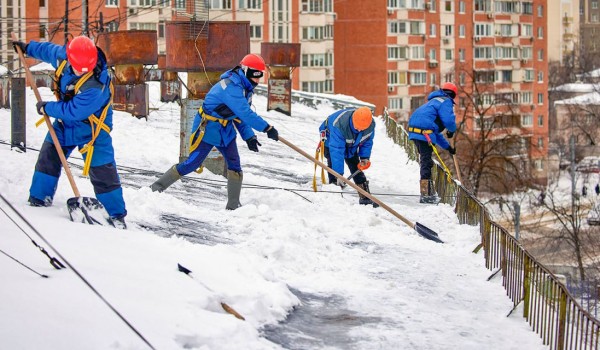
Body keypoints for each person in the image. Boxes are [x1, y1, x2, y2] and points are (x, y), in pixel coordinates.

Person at [13, 36, 127, 228]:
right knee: (48, 160)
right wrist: (28, 48)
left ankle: (115, 215)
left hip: (93, 131)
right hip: (65, 126)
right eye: (76, 68)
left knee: (103, 172)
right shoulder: (64, 56)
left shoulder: (96, 85)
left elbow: (74, 110)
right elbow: (47, 50)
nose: (79, 71)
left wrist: (46, 108)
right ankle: (39, 199)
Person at [150, 53, 279, 210]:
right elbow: (245, 112)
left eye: (260, 76)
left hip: (226, 131)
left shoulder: (246, 88)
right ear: (245, 71)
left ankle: (233, 205)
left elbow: (239, 117)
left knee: (235, 165)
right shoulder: (230, 86)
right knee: (192, 164)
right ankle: (156, 188)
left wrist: (249, 136)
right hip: (208, 129)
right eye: (255, 75)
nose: (258, 80)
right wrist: (267, 128)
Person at [407, 82, 458, 204]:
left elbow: (435, 133)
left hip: (416, 131)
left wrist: (448, 147)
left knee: (426, 159)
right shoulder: (446, 101)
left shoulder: (433, 102)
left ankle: (427, 192)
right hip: (424, 132)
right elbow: (449, 120)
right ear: (453, 94)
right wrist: (451, 130)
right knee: (426, 161)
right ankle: (426, 194)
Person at [318, 106, 379, 207]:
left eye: (362, 128)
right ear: (353, 120)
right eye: (357, 127)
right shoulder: (339, 125)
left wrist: (364, 157)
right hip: (331, 140)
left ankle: (365, 197)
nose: (359, 129)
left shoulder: (370, 126)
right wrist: (339, 175)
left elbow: (367, 142)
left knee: (355, 166)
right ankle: (335, 194)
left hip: (352, 143)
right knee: (333, 165)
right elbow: (337, 151)